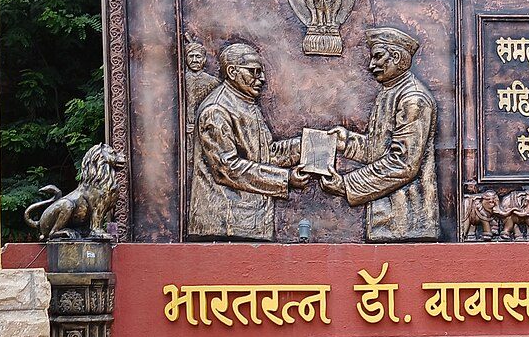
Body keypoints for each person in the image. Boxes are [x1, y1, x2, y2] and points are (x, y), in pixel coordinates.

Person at [321, 26, 439, 241]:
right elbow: (379, 149)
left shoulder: (413, 99)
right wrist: (346, 142)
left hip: (407, 218)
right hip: (388, 217)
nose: (371, 65)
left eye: (377, 57)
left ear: (395, 57)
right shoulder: (390, 93)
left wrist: (346, 184)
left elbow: (403, 163)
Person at [187, 42, 308, 240]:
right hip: (225, 225)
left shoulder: (245, 104)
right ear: (233, 72)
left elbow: (268, 153)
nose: (262, 78)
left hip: (248, 223)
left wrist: (310, 145)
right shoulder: (216, 111)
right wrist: (285, 179)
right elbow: (228, 169)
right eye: (254, 71)